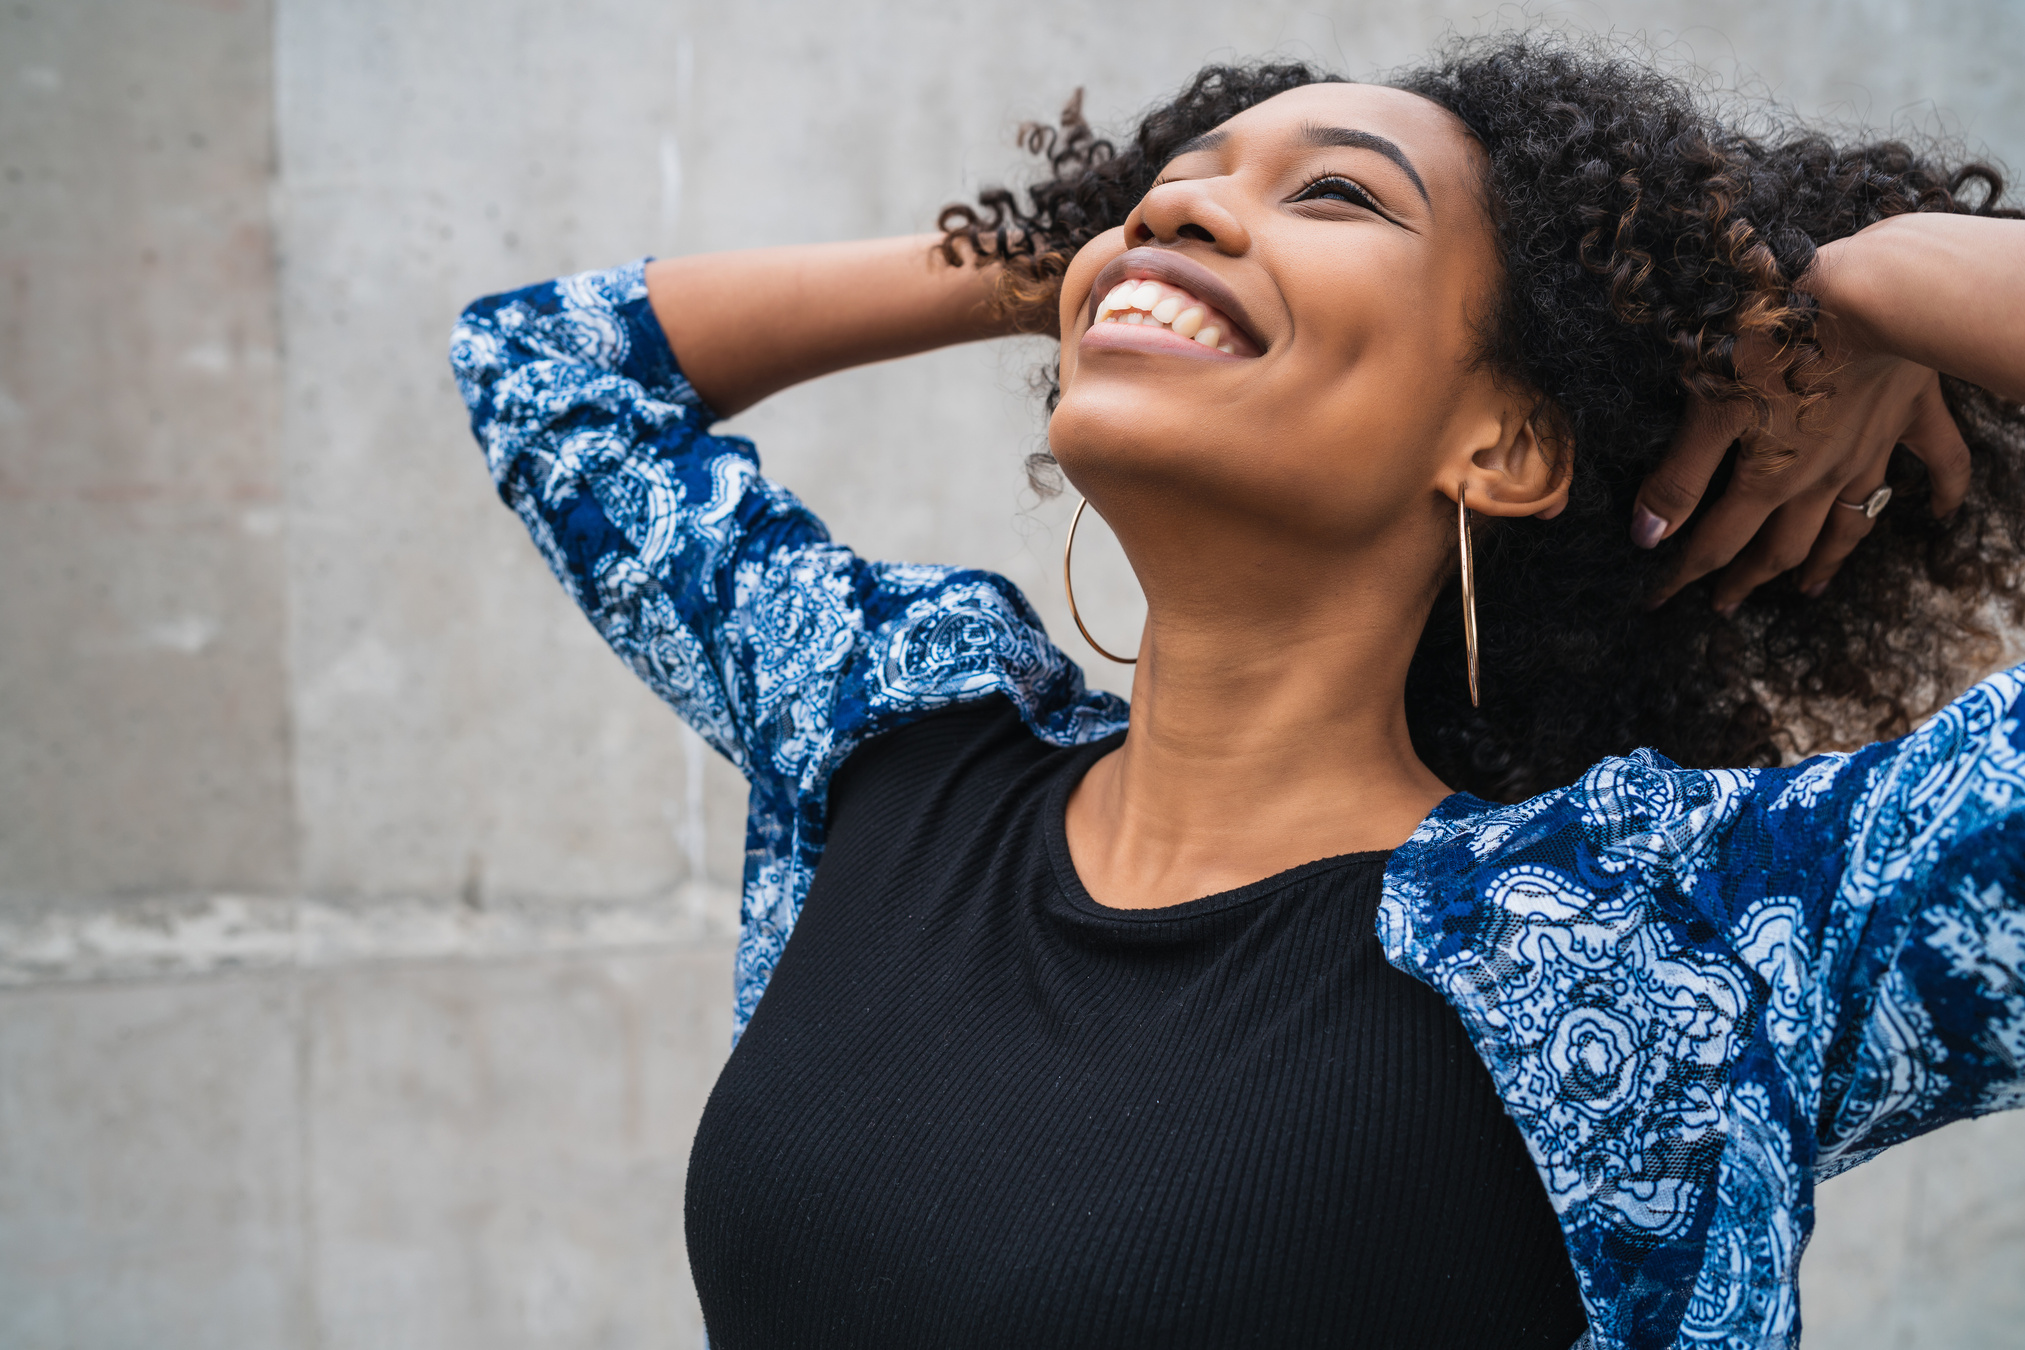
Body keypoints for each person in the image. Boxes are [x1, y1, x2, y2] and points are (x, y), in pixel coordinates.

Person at [449, 32, 2025, 1350]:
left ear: (1507, 443)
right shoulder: (895, 735)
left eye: (1335, 193)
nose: (1172, 218)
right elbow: (544, 369)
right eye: (1161, 188)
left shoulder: (1681, 933)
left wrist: (1864, 288)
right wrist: (1083, 258)